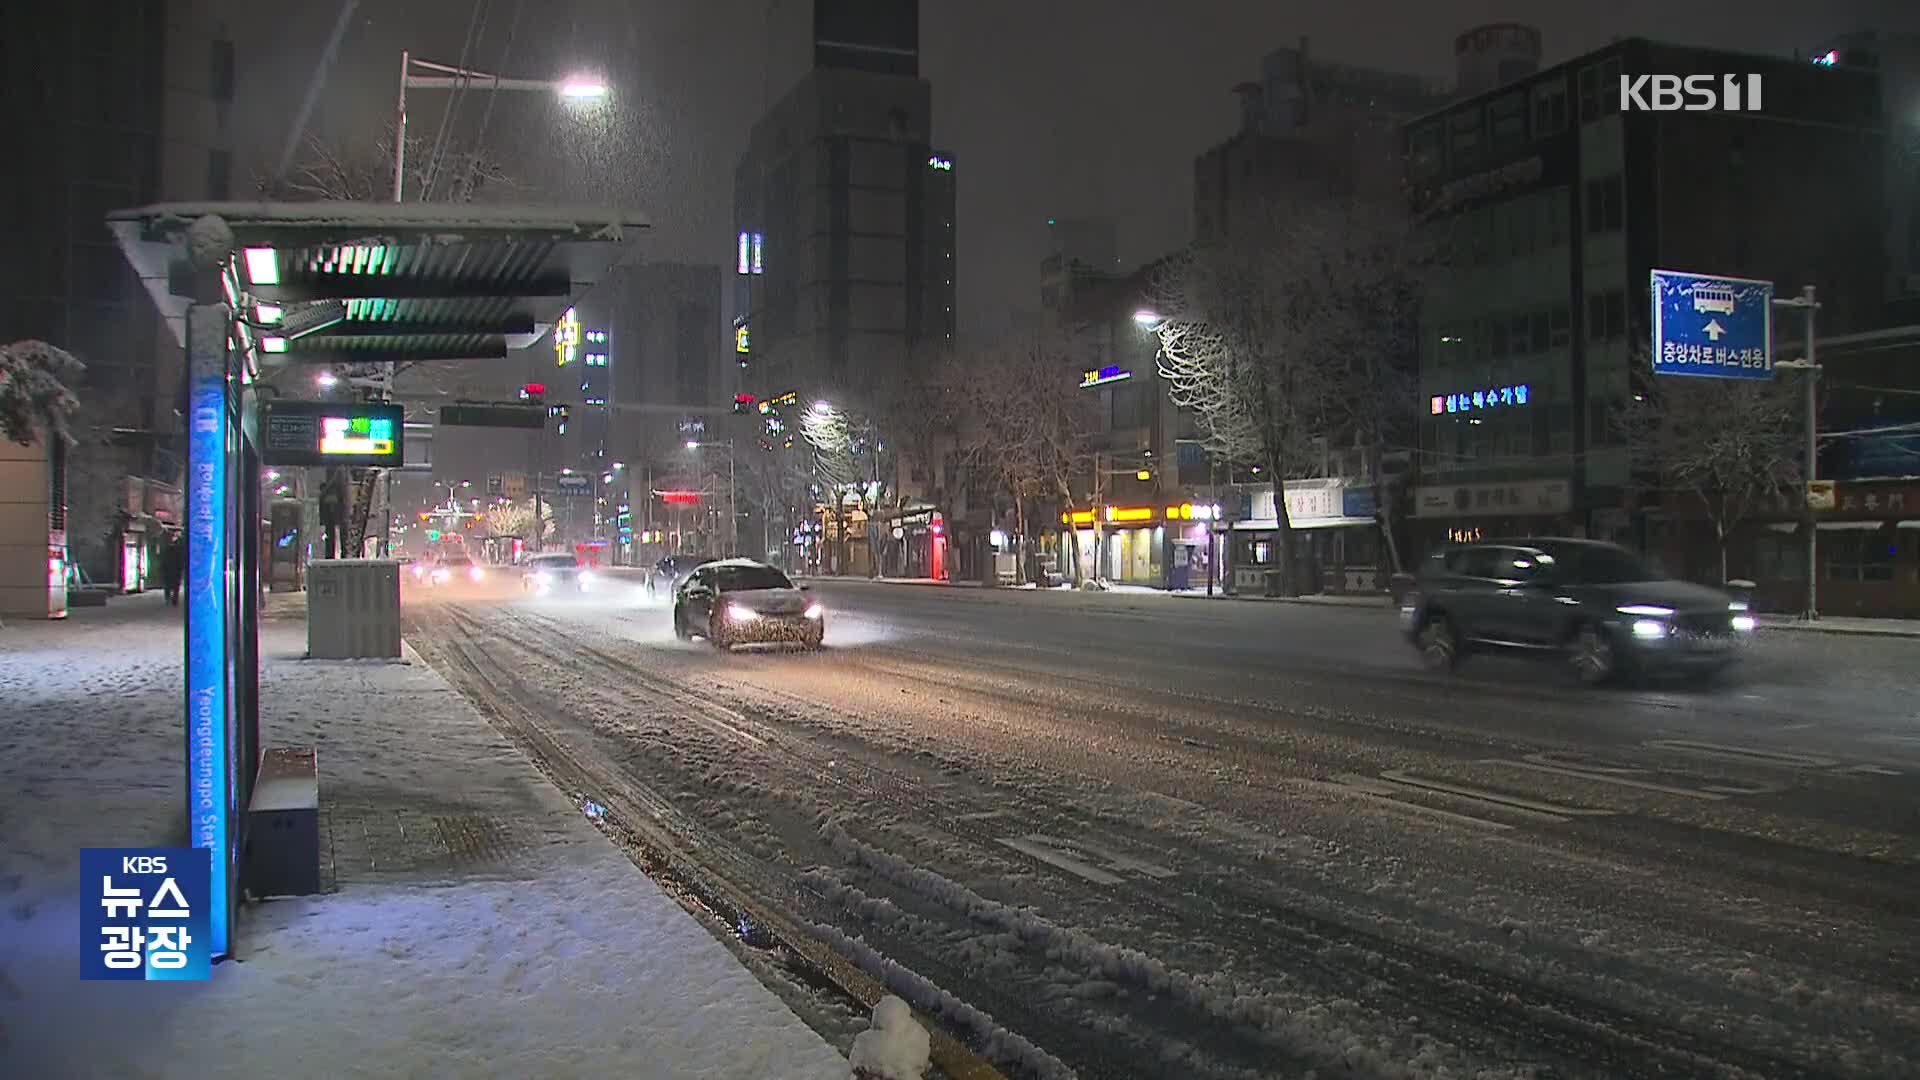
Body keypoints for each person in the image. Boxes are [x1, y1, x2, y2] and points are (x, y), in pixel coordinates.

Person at [161, 531, 185, 606]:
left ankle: (167, 598)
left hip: (168, 570)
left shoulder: (166, 550)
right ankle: (174, 600)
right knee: (176, 586)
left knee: (167, 585)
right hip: (176, 570)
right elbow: (181, 560)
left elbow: (163, 561)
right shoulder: (179, 549)